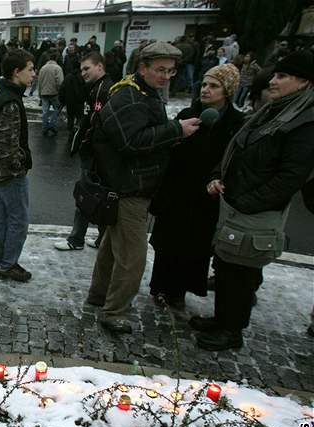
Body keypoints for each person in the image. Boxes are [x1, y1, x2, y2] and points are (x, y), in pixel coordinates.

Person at [197, 51, 314, 350]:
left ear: (304, 82)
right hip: (235, 202)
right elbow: (237, 147)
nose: (273, 81)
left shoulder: (304, 120)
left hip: (255, 209)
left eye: (282, 76)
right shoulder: (273, 110)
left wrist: (248, 201)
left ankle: (232, 331)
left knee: (243, 272)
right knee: (226, 264)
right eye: (275, 75)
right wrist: (218, 176)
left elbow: (291, 176)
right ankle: (222, 319)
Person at [86, 41, 200, 333]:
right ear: (142, 68)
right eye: (160, 70)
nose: (165, 76)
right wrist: (177, 129)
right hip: (129, 189)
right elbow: (130, 142)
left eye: (171, 72)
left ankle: (99, 296)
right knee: (133, 258)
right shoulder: (131, 97)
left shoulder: (141, 93)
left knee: (113, 247)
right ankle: (114, 312)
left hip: (128, 185)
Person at [149, 64, 245, 310]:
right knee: (167, 243)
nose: (206, 90)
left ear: (228, 90)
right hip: (177, 192)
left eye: (213, 86)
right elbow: (167, 150)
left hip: (206, 197)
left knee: (194, 246)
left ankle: (180, 291)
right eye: (204, 84)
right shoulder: (187, 114)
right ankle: (160, 287)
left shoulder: (236, 123)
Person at [0, 49, 35, 282]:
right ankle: (8, 264)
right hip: (9, 174)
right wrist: (18, 169)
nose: (33, 74)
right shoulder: (10, 101)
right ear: (17, 72)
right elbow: (7, 145)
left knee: (1, 217)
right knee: (18, 219)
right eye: (30, 69)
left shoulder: (3, 92)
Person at [54, 51, 113, 252]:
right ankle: (100, 240)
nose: (83, 73)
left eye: (87, 68)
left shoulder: (104, 90)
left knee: (85, 197)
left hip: (96, 156)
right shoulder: (97, 88)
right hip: (98, 155)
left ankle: (76, 239)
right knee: (100, 198)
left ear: (100, 66)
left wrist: (85, 147)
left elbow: (96, 125)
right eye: (81, 70)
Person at [37, 51, 63, 136]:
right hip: (54, 93)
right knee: (57, 109)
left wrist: (40, 93)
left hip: (44, 93)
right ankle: (52, 125)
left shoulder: (43, 68)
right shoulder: (58, 68)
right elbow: (60, 82)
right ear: (56, 59)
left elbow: (39, 82)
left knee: (45, 111)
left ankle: (44, 127)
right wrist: (61, 92)